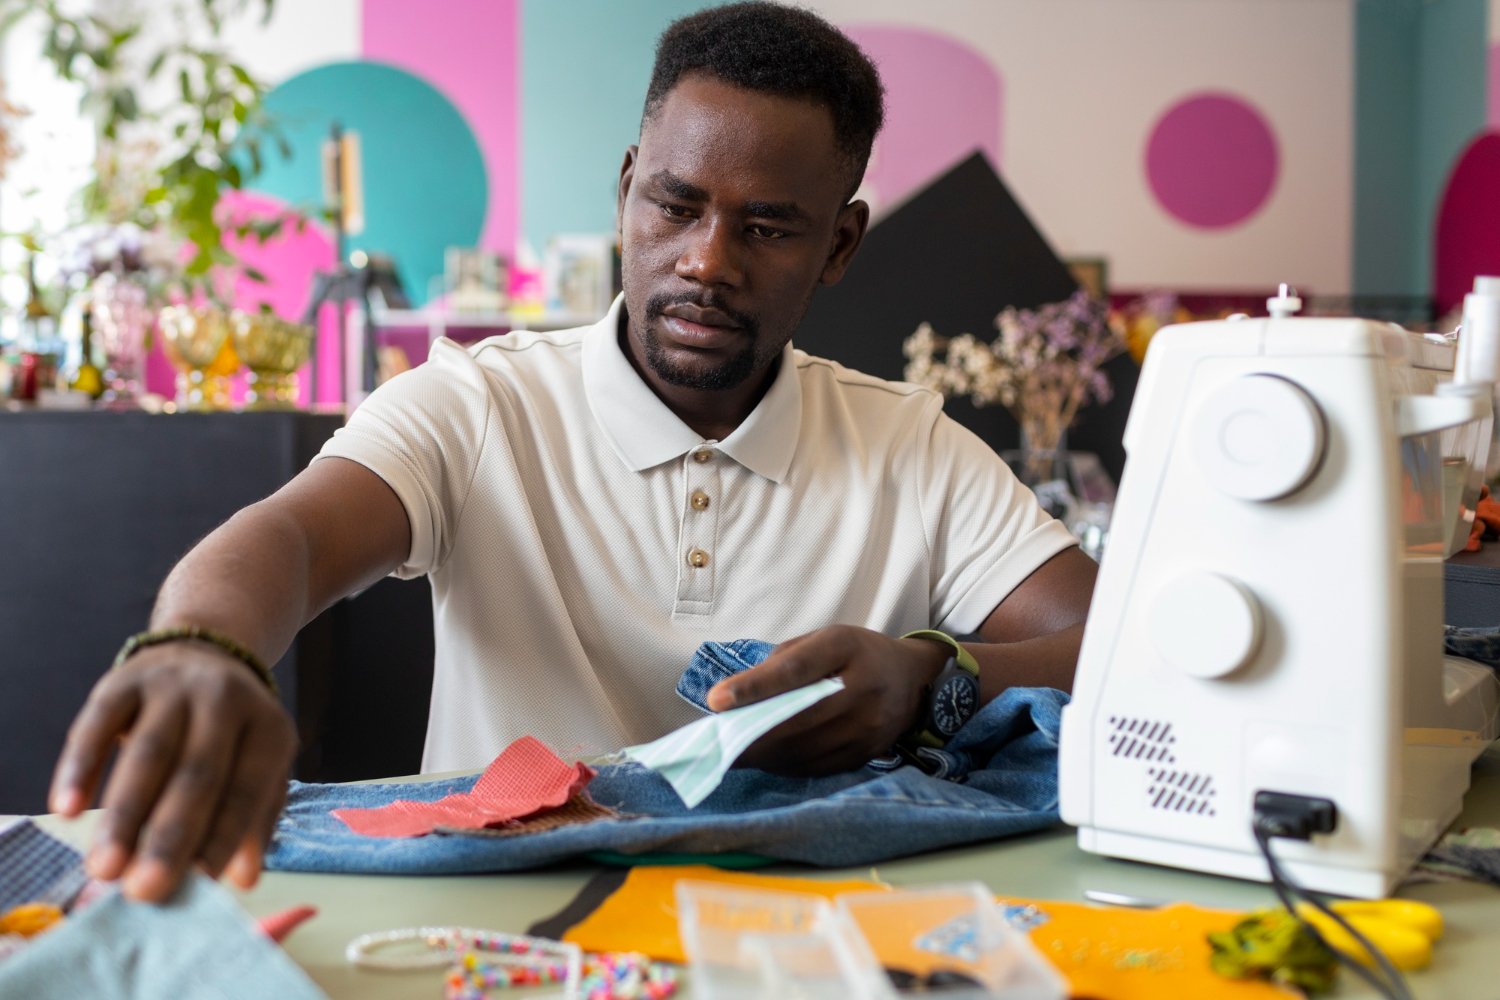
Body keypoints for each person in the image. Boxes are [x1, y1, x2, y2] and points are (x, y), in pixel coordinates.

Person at [49, 1, 1097, 904]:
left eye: (769, 228)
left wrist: (932, 675)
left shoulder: (909, 445)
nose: (706, 261)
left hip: (797, 928)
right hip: (490, 922)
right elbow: (292, 537)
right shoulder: (478, 403)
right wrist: (204, 649)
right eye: (675, 205)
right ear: (628, 188)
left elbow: (1107, 640)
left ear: (841, 244)